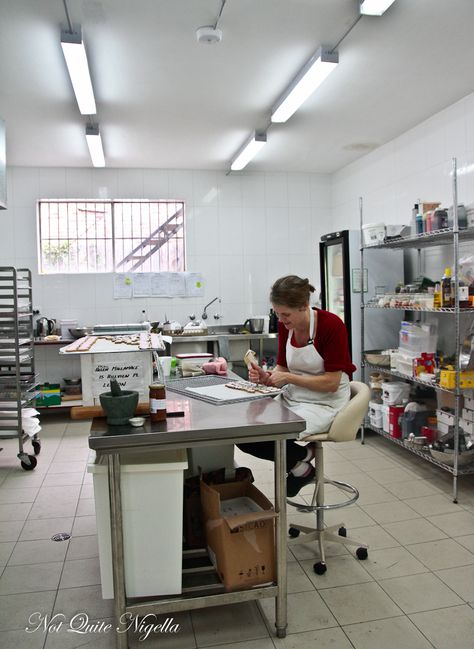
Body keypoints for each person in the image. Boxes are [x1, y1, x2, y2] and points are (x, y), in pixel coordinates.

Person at [237, 275, 356, 497]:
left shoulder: (331, 326)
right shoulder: (286, 327)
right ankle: (301, 464)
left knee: (273, 434)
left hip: (324, 402)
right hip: (294, 396)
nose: (281, 320)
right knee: (245, 435)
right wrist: (267, 377)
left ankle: (300, 462)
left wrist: (288, 379)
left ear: (304, 306)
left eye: (286, 315)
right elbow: (282, 367)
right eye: (277, 314)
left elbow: (331, 383)